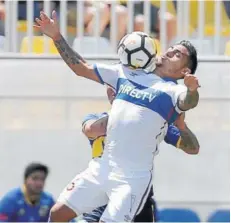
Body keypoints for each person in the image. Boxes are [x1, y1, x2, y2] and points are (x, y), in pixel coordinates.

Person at [35, 11, 200, 222]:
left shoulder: (172, 92)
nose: (169, 52)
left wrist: (192, 91)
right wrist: (56, 37)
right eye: (171, 48)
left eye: (178, 54)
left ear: (185, 71)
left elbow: (188, 103)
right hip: (103, 167)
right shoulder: (125, 72)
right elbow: (82, 68)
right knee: (57, 213)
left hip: (132, 178)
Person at [79, 86, 199, 222]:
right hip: (102, 191)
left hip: (137, 193)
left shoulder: (155, 121)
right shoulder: (96, 119)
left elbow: (193, 148)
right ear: (110, 93)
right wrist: (125, 112)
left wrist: (181, 126)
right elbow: (90, 129)